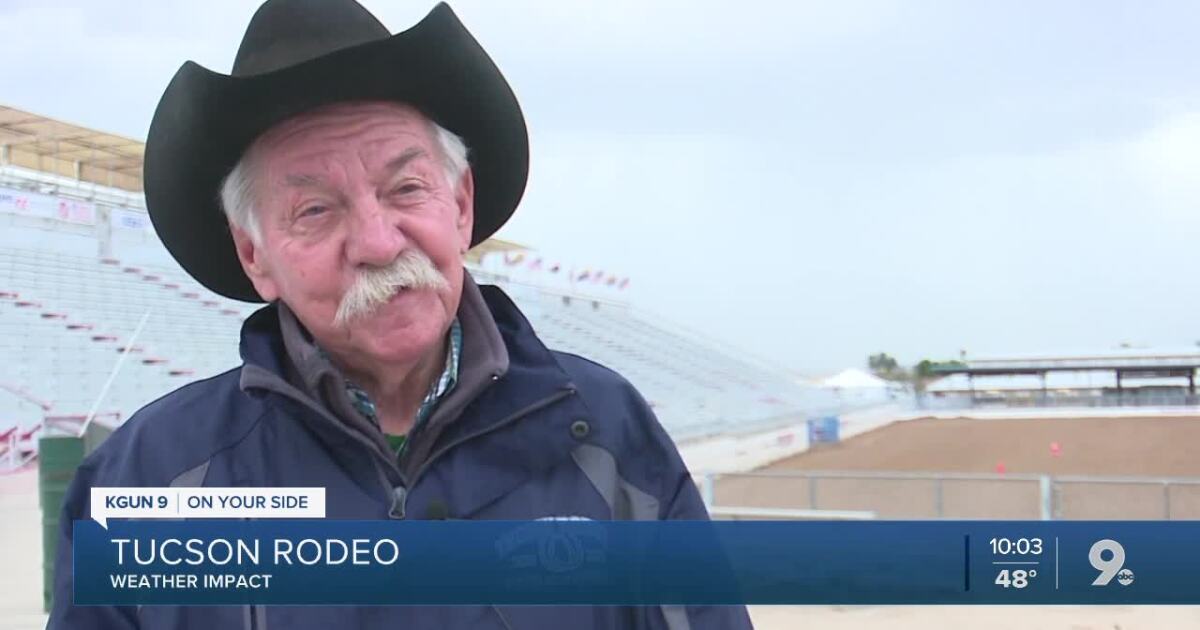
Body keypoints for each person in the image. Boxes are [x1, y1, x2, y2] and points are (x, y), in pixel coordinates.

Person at [47, 1, 754, 628]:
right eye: (315, 210)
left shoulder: (607, 434)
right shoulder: (147, 481)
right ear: (255, 256)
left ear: (461, 205)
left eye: (406, 187)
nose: (379, 243)